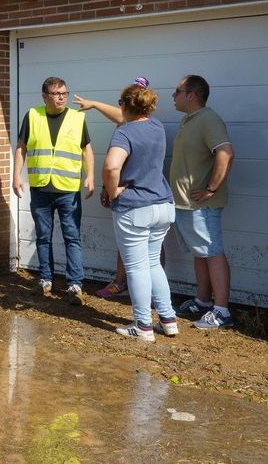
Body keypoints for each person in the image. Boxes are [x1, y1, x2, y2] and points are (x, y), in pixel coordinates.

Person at [87, 79, 178, 341]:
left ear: (125, 106)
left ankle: (143, 326)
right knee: (153, 264)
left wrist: (113, 191)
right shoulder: (157, 127)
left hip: (135, 208)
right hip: (162, 205)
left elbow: (111, 167)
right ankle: (168, 320)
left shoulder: (124, 133)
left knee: (136, 268)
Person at [13, 76, 95, 302]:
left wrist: (90, 175)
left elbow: (87, 149)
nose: (62, 97)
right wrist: (16, 175)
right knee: (43, 236)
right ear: (44, 96)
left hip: (68, 190)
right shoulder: (32, 115)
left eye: (64, 93)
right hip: (40, 189)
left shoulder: (77, 118)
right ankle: (45, 279)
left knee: (72, 237)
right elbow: (21, 147)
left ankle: (75, 284)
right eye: (57, 94)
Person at [169, 75, 236, 330]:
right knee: (201, 252)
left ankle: (222, 311)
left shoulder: (209, 119)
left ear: (191, 95)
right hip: (187, 204)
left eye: (177, 91)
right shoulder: (189, 120)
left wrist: (210, 189)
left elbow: (226, 153)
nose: (173, 96)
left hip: (202, 206)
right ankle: (203, 300)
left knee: (212, 251)